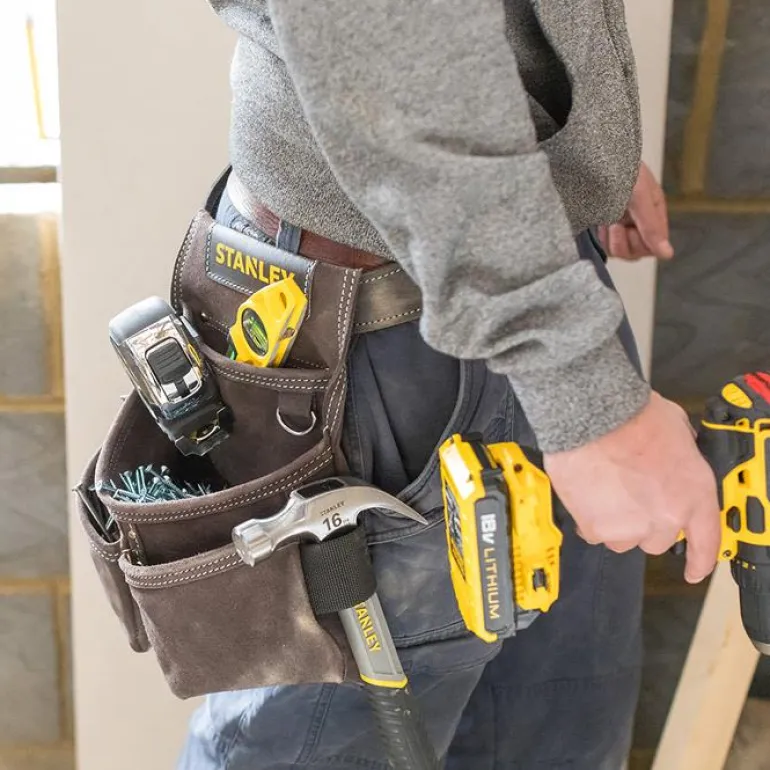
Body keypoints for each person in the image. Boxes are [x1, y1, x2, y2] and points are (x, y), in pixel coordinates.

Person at [178, 2, 722, 767]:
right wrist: (583, 392)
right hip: (378, 319)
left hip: (514, 273)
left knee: (551, 742)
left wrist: (570, 139)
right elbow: (382, 27)